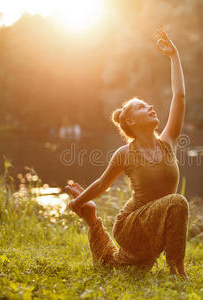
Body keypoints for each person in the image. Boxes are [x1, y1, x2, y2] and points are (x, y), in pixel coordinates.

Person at [65, 29, 188, 278]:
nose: (151, 106)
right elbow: (102, 184)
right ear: (130, 122)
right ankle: (177, 272)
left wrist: (174, 57)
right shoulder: (124, 154)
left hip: (153, 229)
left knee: (119, 264)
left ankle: (93, 221)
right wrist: (76, 203)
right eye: (142, 107)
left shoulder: (168, 141)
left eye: (149, 104)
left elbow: (179, 95)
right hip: (130, 225)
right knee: (178, 202)